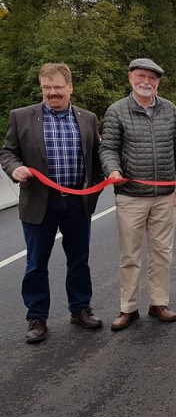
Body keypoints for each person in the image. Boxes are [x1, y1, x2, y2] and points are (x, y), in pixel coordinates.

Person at [1, 63, 104, 343]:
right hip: (39, 203)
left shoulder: (88, 118)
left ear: (70, 87)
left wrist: (92, 193)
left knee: (79, 260)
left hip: (76, 203)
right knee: (36, 263)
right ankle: (37, 316)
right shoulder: (21, 117)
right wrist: (14, 169)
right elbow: (8, 152)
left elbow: (97, 159)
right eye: (47, 88)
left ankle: (80, 308)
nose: (52, 93)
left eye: (58, 87)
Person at [100, 58, 176, 331]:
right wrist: (112, 169)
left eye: (152, 78)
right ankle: (128, 308)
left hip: (164, 195)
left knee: (162, 252)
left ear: (158, 82)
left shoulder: (170, 110)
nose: (146, 82)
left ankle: (158, 303)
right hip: (130, 195)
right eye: (141, 76)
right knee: (130, 255)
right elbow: (108, 149)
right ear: (130, 78)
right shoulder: (117, 111)